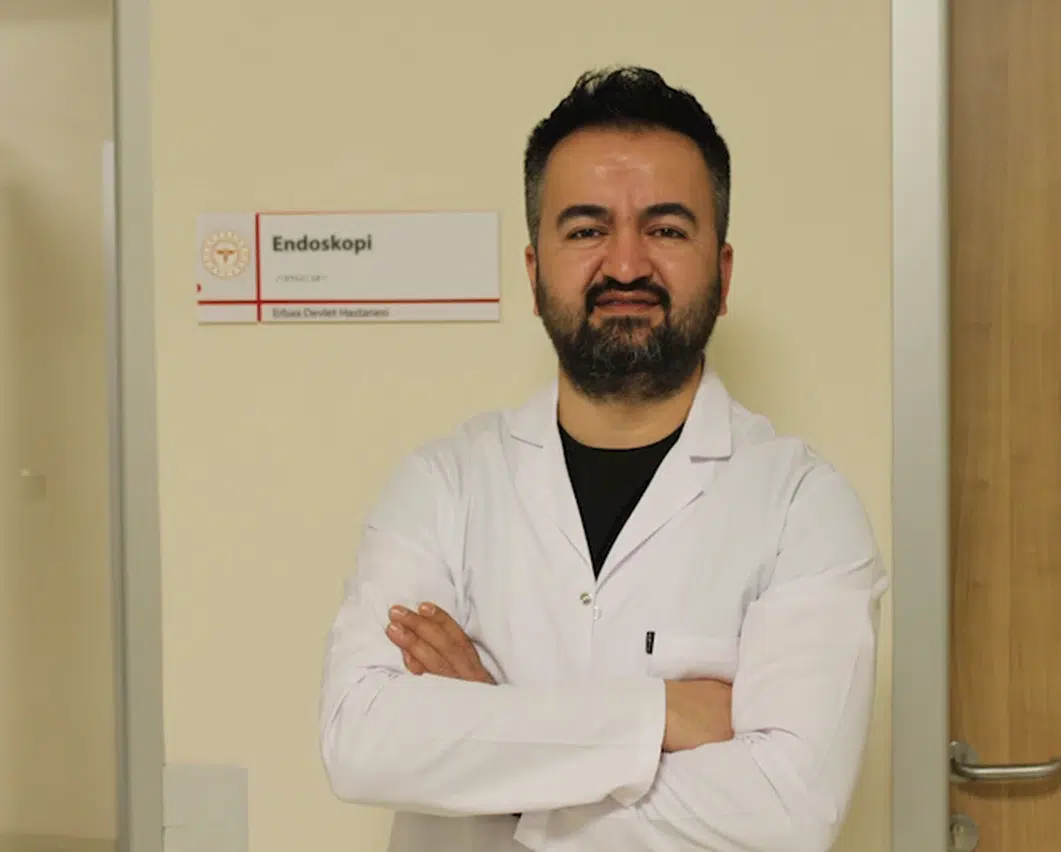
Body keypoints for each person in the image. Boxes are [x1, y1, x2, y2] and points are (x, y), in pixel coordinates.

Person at [318, 65, 889, 852]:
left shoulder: (803, 506)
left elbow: (787, 813)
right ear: (534, 274)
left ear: (722, 274)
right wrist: (664, 715)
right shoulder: (443, 486)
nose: (626, 266)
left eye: (666, 230)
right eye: (587, 230)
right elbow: (360, 740)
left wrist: (492, 748)